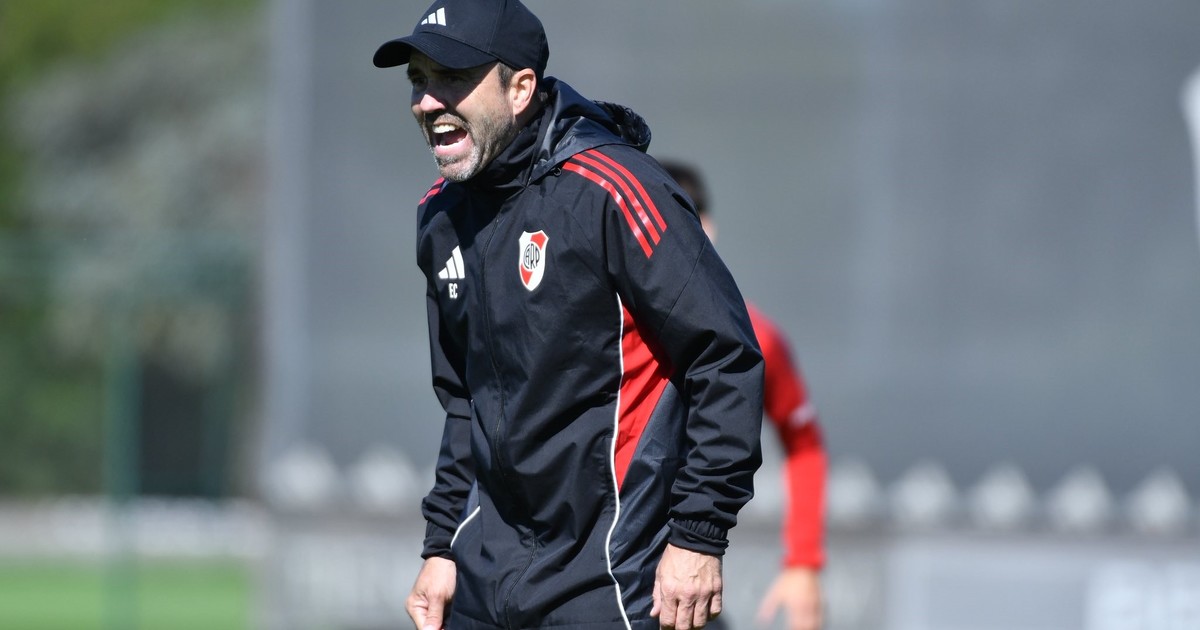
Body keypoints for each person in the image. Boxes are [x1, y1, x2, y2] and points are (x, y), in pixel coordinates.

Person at [372, 2, 765, 629]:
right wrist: (442, 545)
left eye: (452, 77)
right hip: (484, 577)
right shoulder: (440, 217)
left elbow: (725, 358)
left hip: (612, 575)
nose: (427, 101)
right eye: (419, 80)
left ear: (520, 88)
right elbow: (465, 399)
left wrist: (698, 534)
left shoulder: (615, 189)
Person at [660, 160, 828, 630]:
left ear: (707, 230)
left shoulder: (754, 336)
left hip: (690, 586)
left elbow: (805, 444)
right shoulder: (593, 334)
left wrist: (803, 562)